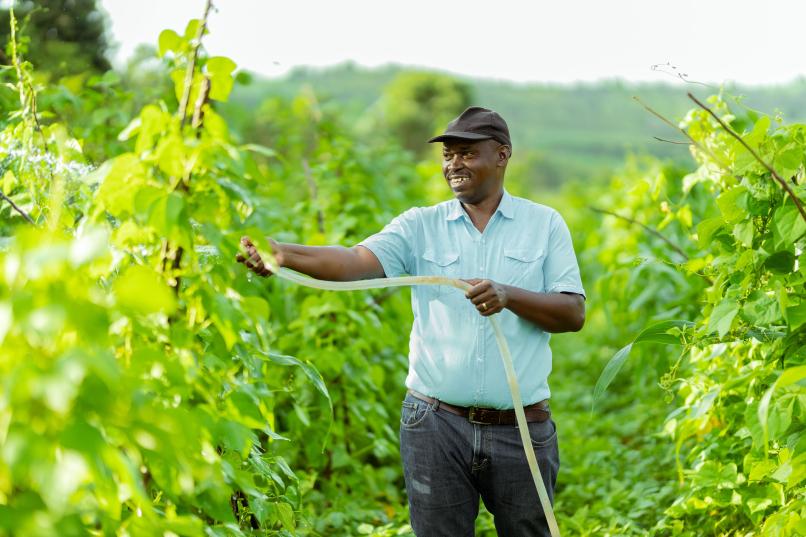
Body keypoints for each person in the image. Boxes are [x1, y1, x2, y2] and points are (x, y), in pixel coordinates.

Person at [236, 106, 586, 536]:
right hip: (436, 423)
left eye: (467, 153)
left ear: (502, 155)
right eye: (448, 155)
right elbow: (355, 260)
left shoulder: (544, 224)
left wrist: (508, 295)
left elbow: (572, 312)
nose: (454, 164)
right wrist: (283, 253)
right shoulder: (421, 225)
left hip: (520, 428)